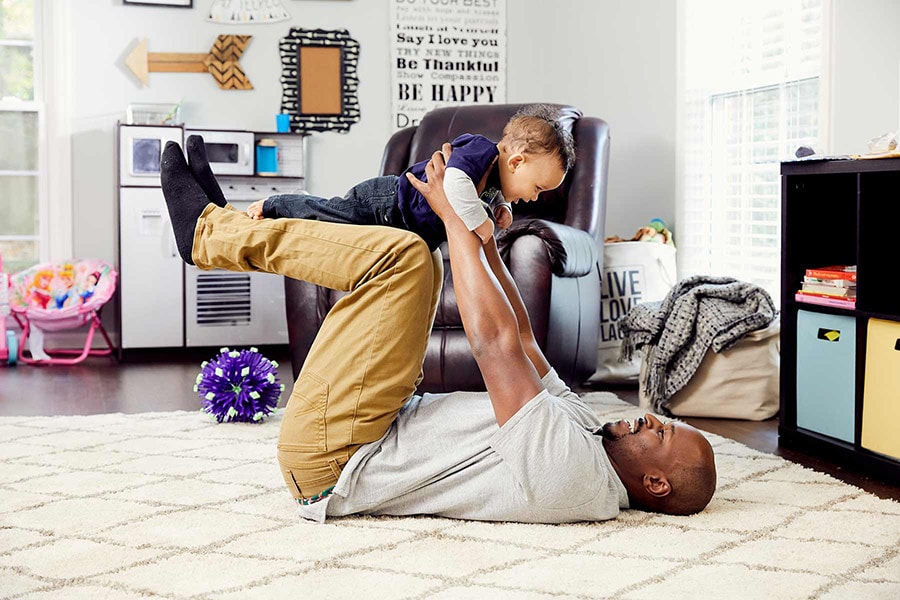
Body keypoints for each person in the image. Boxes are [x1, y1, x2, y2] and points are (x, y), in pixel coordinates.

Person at [160, 136, 717, 524]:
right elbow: (522, 339)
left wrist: (454, 218)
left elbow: (494, 348)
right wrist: (485, 244)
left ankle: (208, 236)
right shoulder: (588, 436)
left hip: (335, 459)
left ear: (657, 484)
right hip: (372, 421)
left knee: (402, 256)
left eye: (660, 434)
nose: (650, 419)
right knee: (420, 258)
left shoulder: (574, 478)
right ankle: (224, 220)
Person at [188, 104, 574, 255]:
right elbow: (454, 186)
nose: (535, 199)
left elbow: (474, 198)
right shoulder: (482, 150)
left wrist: (502, 206)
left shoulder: (493, 182)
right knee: (330, 217)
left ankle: (243, 215)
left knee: (333, 236)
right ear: (517, 161)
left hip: (405, 231)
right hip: (387, 204)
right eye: (538, 188)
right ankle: (277, 204)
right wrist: (486, 225)